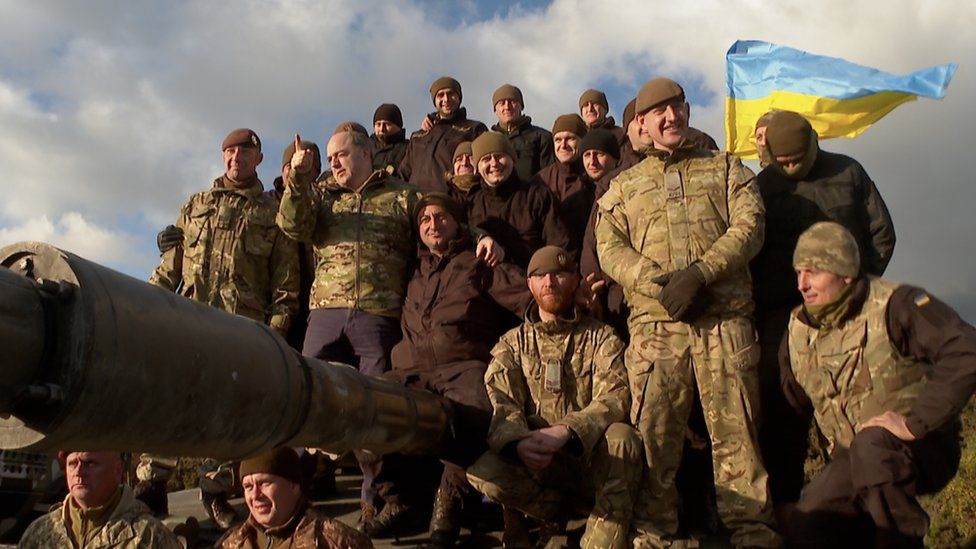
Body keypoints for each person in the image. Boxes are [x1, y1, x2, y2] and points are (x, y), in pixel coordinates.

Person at [278, 123, 502, 528]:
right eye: (329, 159)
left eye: (340, 155)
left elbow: (442, 218)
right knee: (304, 401)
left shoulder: (402, 196)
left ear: (365, 154)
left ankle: (376, 500)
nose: (334, 164)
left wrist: (482, 236)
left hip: (379, 315)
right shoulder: (324, 198)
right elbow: (292, 225)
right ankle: (293, 500)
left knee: (376, 413)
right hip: (326, 311)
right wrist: (297, 175)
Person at [595, 77, 779, 547]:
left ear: (687, 111)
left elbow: (751, 226)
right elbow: (608, 248)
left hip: (725, 323)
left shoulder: (726, 168)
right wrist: (660, 283)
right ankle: (655, 536)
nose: (670, 117)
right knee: (654, 440)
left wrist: (701, 273)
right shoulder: (623, 187)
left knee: (739, 437)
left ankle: (752, 531)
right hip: (657, 332)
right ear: (640, 123)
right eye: (659, 111)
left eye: (677, 107)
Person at [779, 222, 976, 547]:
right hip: (854, 457)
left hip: (924, 446)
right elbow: (787, 413)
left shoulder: (895, 305)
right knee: (810, 522)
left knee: (872, 447)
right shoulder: (797, 332)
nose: (802, 284)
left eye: (813, 272)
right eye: (799, 272)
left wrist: (916, 423)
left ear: (845, 273)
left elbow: (966, 347)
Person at [143, 128, 301, 527]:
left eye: (244, 153)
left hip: (241, 332)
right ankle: (150, 484)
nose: (235, 159)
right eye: (229, 152)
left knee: (230, 414)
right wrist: (143, 308)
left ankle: (213, 491)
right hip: (190, 323)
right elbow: (170, 268)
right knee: (171, 400)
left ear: (258, 159)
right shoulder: (196, 205)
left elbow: (285, 281)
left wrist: (277, 333)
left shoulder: (272, 212)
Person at [750, 110, 897, 510]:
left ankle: (869, 518)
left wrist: (854, 288)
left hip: (848, 316)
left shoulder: (849, 172)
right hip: (785, 319)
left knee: (859, 417)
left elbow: (881, 234)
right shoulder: (763, 186)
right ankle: (785, 514)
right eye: (785, 162)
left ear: (814, 141)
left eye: (799, 158)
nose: (792, 167)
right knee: (782, 418)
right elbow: (752, 254)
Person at [375, 193, 533, 545]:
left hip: (461, 365)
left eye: (442, 216)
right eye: (425, 219)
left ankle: (448, 504)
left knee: (475, 413)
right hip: (409, 371)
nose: (434, 224)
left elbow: (525, 297)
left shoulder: (479, 261)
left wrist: (564, 301)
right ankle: (399, 500)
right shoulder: (409, 267)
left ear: (459, 222)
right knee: (365, 406)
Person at [467, 246, 642, 549]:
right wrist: (517, 442)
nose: (550, 282)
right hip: (541, 465)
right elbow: (502, 401)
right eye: (540, 275)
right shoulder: (512, 344)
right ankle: (557, 514)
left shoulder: (602, 338)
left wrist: (568, 431)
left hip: (592, 464)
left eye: (559, 274)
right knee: (483, 472)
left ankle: (601, 535)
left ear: (575, 281)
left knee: (623, 438)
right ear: (530, 284)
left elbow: (616, 396)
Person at [216, 447, 373, 548]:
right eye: (248, 487)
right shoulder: (230, 544)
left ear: (294, 485)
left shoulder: (339, 542)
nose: (255, 495)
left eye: (264, 483)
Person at [19, 451, 180, 548]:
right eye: (72, 463)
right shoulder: (41, 532)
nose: (78, 472)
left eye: (90, 463)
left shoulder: (149, 536)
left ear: (117, 471)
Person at [465, 131, 571, 269]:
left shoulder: (537, 196)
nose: (494, 163)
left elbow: (560, 245)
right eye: (486, 159)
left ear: (512, 159)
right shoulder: (471, 202)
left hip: (529, 282)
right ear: (477, 169)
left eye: (499, 156)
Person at [399, 76, 488, 191]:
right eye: (440, 95)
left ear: (459, 97)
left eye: (451, 94)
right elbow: (404, 173)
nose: (446, 99)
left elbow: (485, 166)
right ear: (434, 100)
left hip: (451, 200)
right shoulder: (419, 136)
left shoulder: (473, 129)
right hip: (416, 203)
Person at [533, 114, 590, 255]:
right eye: (558, 140)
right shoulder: (540, 180)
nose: (563, 145)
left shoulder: (593, 178)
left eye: (570, 138)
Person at [490, 84, 554, 181]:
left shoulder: (542, 137)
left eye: (512, 102)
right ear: (495, 109)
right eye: (502, 103)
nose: (507, 107)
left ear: (521, 106)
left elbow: (550, 176)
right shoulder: (488, 141)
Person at [371, 103, 409, 175]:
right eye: (378, 124)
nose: (382, 128)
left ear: (398, 126)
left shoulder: (408, 149)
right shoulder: (367, 147)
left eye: (387, 124)